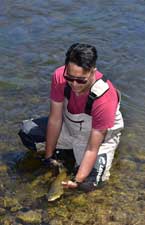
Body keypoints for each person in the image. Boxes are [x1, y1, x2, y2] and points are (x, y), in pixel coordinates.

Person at [18, 43, 124, 191]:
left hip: (98, 138)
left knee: (88, 184)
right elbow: (55, 119)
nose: (74, 84)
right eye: (70, 78)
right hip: (70, 128)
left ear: (93, 72)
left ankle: (102, 154)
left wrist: (77, 180)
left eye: (81, 80)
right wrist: (49, 158)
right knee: (28, 132)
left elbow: (92, 148)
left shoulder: (104, 98)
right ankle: (68, 152)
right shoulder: (59, 77)